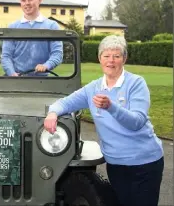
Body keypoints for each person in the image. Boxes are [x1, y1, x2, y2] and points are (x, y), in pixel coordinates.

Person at [44, 35, 164, 206]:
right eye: (106, 56)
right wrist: (53, 113)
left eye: (116, 56)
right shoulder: (93, 88)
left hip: (144, 163)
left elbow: (137, 121)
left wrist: (111, 107)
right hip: (116, 165)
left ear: (124, 58)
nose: (111, 61)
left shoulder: (136, 83)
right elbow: (66, 102)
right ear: (99, 59)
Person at [1, 0, 63, 76]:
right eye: (23, 0)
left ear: (39, 0)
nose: (27, 3)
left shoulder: (52, 26)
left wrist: (46, 65)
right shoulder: (12, 27)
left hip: (42, 81)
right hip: (16, 79)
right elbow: (6, 56)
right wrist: (12, 73)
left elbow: (57, 54)